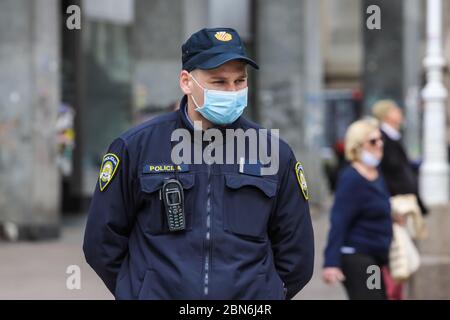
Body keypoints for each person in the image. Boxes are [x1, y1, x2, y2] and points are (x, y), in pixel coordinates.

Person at [83, 27, 314, 300]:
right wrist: (140, 291)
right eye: (219, 82)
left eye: (240, 81)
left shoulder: (274, 152)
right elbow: (101, 241)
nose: (232, 91)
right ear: (186, 82)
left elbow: (296, 252)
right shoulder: (136, 147)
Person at [322, 118, 393, 300]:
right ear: (357, 145)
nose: (379, 144)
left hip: (375, 257)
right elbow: (338, 221)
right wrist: (331, 262)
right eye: (373, 141)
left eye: (380, 140)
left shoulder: (376, 173)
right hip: (359, 258)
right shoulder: (351, 178)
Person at [372, 100, 428, 216]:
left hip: (404, 198)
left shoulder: (393, 136)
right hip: (397, 201)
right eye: (394, 110)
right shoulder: (382, 138)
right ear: (386, 115)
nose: (399, 112)